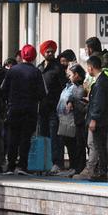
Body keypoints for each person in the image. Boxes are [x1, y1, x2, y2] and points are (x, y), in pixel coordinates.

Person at [1, 45, 46, 175]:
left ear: (21, 55)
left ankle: (10, 166)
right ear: (34, 56)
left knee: (12, 137)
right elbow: (42, 93)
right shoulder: (37, 72)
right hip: (30, 110)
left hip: (14, 108)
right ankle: (22, 166)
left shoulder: (12, 70)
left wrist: (9, 100)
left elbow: (3, 89)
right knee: (25, 138)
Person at [83, 55, 108, 182]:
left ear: (91, 68)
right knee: (100, 145)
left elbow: (99, 102)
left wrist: (94, 119)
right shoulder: (102, 80)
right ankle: (102, 171)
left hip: (100, 120)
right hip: (102, 118)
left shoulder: (101, 82)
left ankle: (102, 172)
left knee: (99, 145)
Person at [38, 40, 67, 174]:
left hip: (55, 108)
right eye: (47, 51)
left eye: (52, 51)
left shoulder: (58, 67)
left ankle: (57, 163)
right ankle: (44, 162)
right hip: (42, 108)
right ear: (43, 53)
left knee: (55, 136)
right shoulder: (40, 68)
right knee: (43, 135)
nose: (50, 53)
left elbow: (64, 87)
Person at [57, 64, 87, 176]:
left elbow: (80, 101)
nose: (69, 77)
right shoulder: (71, 86)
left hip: (77, 120)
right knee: (71, 143)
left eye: (71, 75)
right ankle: (74, 166)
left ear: (77, 75)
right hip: (69, 119)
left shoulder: (82, 86)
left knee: (78, 145)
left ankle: (79, 167)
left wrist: (71, 101)